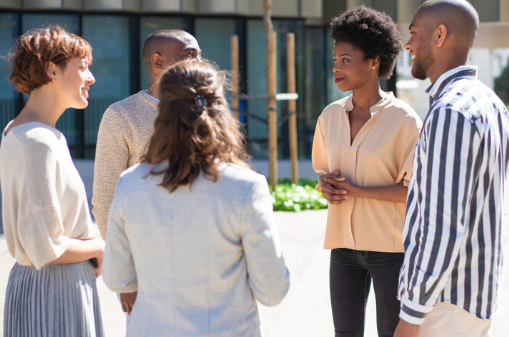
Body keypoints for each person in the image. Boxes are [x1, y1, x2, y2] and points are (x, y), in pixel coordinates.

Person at [101, 59, 290, 336]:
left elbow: (117, 277)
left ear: (161, 111)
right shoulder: (246, 187)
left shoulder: (130, 183)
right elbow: (272, 291)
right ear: (220, 110)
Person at [394, 1, 509, 337]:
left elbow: (442, 225)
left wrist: (411, 315)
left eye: (414, 34)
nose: (408, 45)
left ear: (440, 35)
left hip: (443, 306)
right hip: (470, 296)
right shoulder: (489, 102)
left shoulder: (450, 111)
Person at [312, 6, 422, 337]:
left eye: (346, 59)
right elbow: (322, 174)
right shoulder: (329, 116)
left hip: (390, 252)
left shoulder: (405, 120)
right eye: (335, 59)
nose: (336, 66)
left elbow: (415, 192)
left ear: (374, 62)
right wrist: (324, 185)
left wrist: (358, 190)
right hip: (342, 247)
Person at [0, 26, 105, 336]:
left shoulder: (21, 132)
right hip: (53, 291)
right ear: (51, 69)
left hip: (46, 286)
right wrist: (101, 246)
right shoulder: (37, 140)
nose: (91, 78)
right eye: (83, 67)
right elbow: (49, 246)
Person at [92, 29, 201, 314]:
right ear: (158, 61)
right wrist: (127, 273)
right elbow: (105, 200)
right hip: (147, 266)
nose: (200, 63)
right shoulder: (121, 115)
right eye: (190, 56)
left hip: (207, 262)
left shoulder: (211, 113)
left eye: (200, 56)